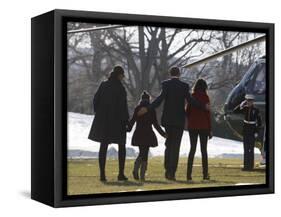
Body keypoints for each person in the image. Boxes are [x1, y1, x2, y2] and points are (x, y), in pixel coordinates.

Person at [138, 67, 208, 181]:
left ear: (170, 74)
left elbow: (160, 99)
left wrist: (148, 108)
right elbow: (190, 100)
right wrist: (203, 106)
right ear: (179, 74)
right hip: (179, 121)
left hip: (168, 120)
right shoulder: (184, 86)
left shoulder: (166, 85)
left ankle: (167, 170)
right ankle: (172, 172)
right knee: (176, 147)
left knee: (168, 145)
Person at [88, 66, 129, 182]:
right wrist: (126, 121)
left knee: (103, 146)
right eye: (122, 74)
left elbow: (95, 100)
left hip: (104, 121)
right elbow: (123, 107)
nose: (123, 77)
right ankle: (121, 174)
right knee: (121, 146)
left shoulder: (103, 85)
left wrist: (99, 114)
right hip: (118, 121)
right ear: (119, 75)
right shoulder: (120, 88)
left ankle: (102, 175)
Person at [127, 91, 167, 181]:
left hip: (139, 133)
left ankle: (136, 170)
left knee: (142, 152)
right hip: (148, 134)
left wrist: (127, 129)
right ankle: (141, 174)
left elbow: (132, 121)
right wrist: (163, 134)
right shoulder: (151, 109)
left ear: (141, 99)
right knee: (145, 153)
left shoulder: (138, 108)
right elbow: (156, 124)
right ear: (149, 99)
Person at [186, 79, 212, 182]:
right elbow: (208, 114)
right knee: (203, 151)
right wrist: (210, 129)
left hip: (193, 126)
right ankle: (205, 174)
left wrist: (191, 120)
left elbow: (187, 112)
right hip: (204, 126)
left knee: (192, 150)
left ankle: (189, 175)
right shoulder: (205, 97)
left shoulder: (192, 97)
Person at [233, 94, 262, 171]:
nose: (249, 102)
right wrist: (240, 105)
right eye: (248, 101)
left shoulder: (256, 110)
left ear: (253, 102)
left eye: (250, 101)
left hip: (252, 130)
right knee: (245, 149)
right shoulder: (244, 108)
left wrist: (256, 131)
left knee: (251, 149)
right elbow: (234, 111)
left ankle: (251, 166)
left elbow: (259, 122)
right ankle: (246, 166)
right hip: (246, 130)